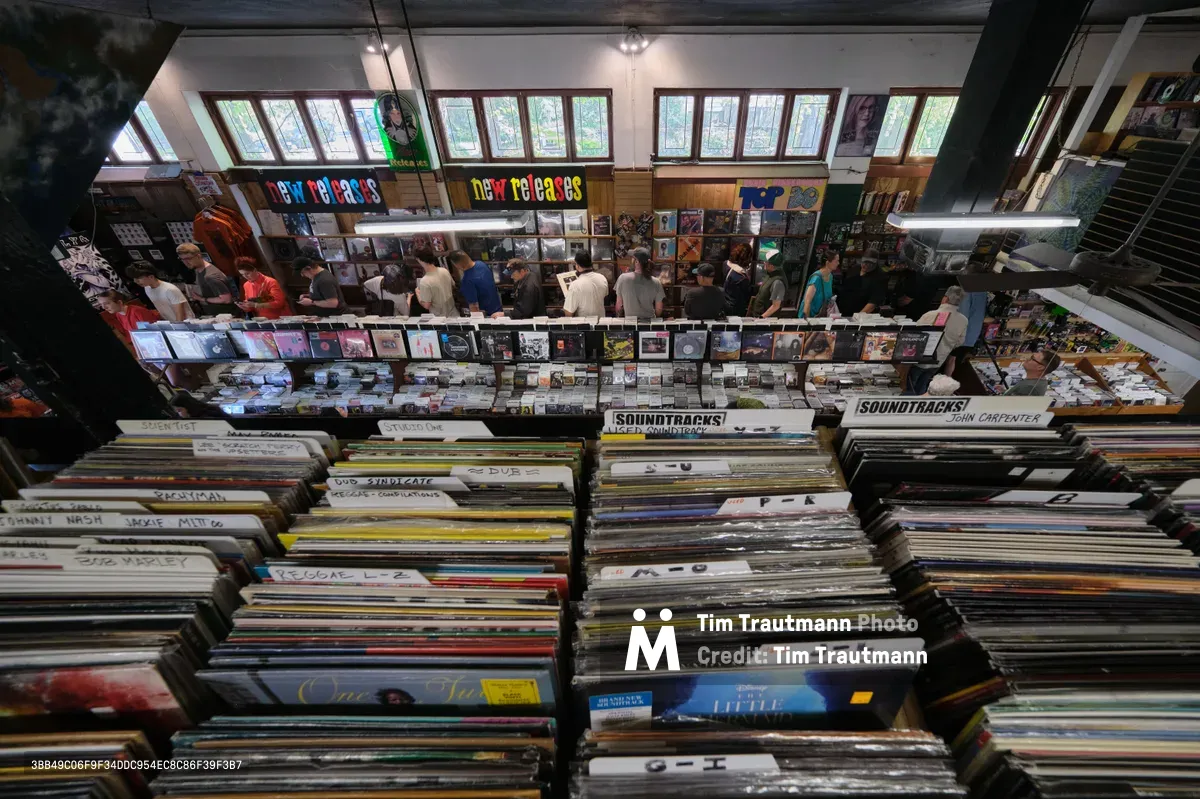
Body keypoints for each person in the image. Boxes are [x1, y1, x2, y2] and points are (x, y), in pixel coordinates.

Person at [905, 286, 970, 395]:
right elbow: (960, 342)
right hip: (938, 361)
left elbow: (915, 336)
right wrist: (947, 346)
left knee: (909, 387)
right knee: (924, 385)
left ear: (945, 298)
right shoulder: (963, 320)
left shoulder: (930, 315)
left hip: (919, 360)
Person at [177, 243, 238, 316]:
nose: (185, 262)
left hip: (226, 316)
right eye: (182, 259)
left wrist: (202, 299)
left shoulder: (210, 276)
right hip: (215, 315)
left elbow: (227, 299)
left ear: (198, 256)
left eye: (188, 258)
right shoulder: (198, 269)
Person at [125, 262, 194, 321]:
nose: (135, 281)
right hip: (171, 323)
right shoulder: (147, 288)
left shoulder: (169, 289)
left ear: (151, 277)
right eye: (134, 278)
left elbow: (180, 314)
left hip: (186, 323)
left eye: (138, 278)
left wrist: (178, 328)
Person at [615, 248, 665, 319]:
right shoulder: (656, 282)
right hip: (649, 324)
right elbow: (659, 309)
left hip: (630, 324)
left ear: (636, 262)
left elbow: (619, 306)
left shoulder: (622, 278)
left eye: (633, 258)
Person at [451, 250, 503, 316]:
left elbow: (474, 307)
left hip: (489, 316)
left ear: (458, 265)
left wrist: (477, 322)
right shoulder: (481, 264)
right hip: (498, 309)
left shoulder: (467, 281)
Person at [839, 249, 888, 315]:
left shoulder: (881, 277)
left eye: (870, 264)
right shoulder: (854, 269)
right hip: (845, 312)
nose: (866, 265)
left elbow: (873, 302)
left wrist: (859, 316)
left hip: (864, 315)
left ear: (876, 263)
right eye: (865, 262)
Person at [413, 249, 460, 318]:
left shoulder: (424, 281)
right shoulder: (444, 270)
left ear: (419, 259)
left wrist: (417, 293)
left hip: (440, 320)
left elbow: (426, 305)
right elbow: (453, 286)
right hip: (454, 314)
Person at [563, 251, 609, 318]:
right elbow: (604, 295)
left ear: (577, 266)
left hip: (584, 326)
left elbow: (568, 313)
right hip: (601, 323)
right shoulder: (602, 278)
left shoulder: (575, 285)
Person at [800, 249, 839, 318]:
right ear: (827, 263)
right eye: (836, 261)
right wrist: (807, 321)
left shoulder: (830, 276)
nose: (838, 263)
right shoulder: (816, 278)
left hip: (821, 316)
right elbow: (807, 301)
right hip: (810, 316)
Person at [748, 249, 787, 318]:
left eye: (766, 262)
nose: (764, 263)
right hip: (758, 316)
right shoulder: (771, 274)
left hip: (764, 321)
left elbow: (776, 306)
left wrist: (761, 318)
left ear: (771, 266)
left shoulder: (778, 283)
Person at [723, 242, 754, 316]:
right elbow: (746, 295)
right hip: (737, 310)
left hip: (725, 305)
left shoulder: (725, 264)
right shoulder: (742, 278)